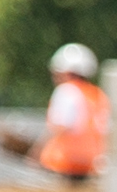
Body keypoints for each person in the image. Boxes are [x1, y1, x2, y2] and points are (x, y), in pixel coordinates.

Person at [34, 41, 107, 183]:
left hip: (63, 165)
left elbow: (60, 127)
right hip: (91, 166)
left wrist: (35, 155)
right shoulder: (98, 95)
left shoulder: (66, 91)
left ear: (66, 72)